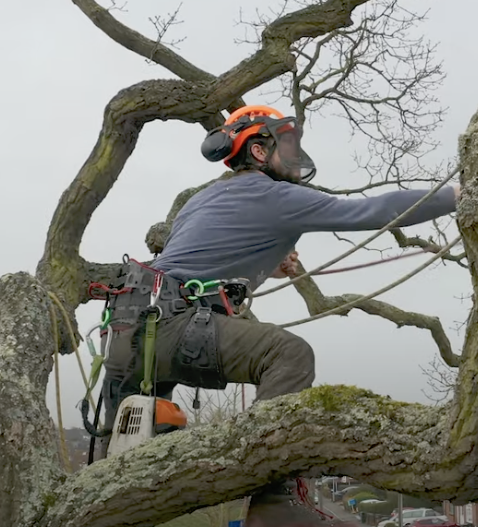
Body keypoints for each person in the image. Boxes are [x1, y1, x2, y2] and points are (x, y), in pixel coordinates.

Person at [98, 105, 459, 527]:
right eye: (286, 145)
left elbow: (203, 262)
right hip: (177, 324)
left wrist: (268, 265)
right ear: (257, 150)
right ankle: (273, 500)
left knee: (119, 472)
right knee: (289, 355)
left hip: (129, 333)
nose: (294, 155)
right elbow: (373, 211)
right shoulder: (275, 196)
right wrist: (455, 196)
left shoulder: (203, 199)